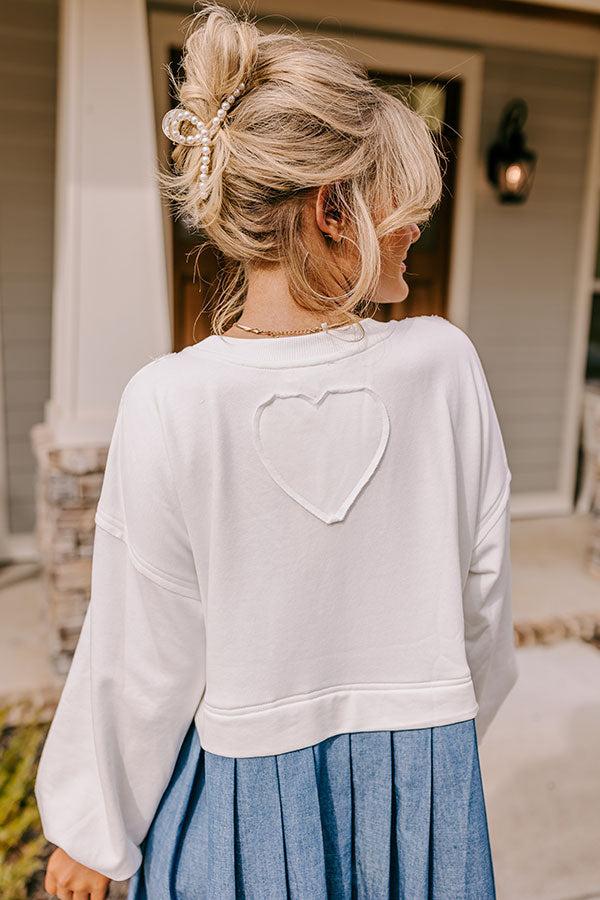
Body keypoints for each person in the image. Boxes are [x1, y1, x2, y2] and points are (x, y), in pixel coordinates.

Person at [34, 5, 519, 898]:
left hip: (238, 813)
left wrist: (92, 833)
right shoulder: (445, 366)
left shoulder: (171, 401)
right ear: (334, 209)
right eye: (403, 203)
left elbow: (142, 657)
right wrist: (424, 765)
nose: (417, 225)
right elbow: (482, 613)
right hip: (422, 791)